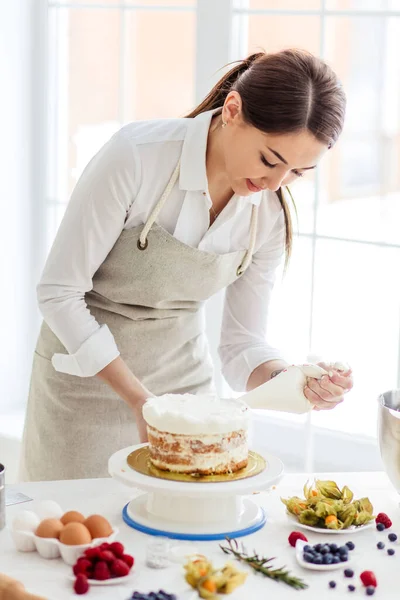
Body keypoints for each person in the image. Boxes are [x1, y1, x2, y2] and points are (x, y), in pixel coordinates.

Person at [19, 49, 353, 482]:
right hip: (84, 391)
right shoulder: (137, 156)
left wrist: (292, 379)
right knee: (80, 538)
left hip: (183, 398)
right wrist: (141, 401)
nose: (275, 184)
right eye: (270, 160)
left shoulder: (268, 215)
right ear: (232, 110)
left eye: (298, 172)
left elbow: (240, 346)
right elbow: (58, 292)